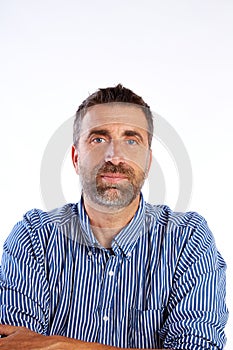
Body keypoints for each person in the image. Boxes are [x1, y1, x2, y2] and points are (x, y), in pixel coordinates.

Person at [0, 84, 228, 349]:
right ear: (76, 158)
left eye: (131, 140)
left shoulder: (187, 239)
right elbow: (13, 344)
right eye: (98, 139)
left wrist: (58, 345)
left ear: (148, 161)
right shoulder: (34, 236)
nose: (115, 156)